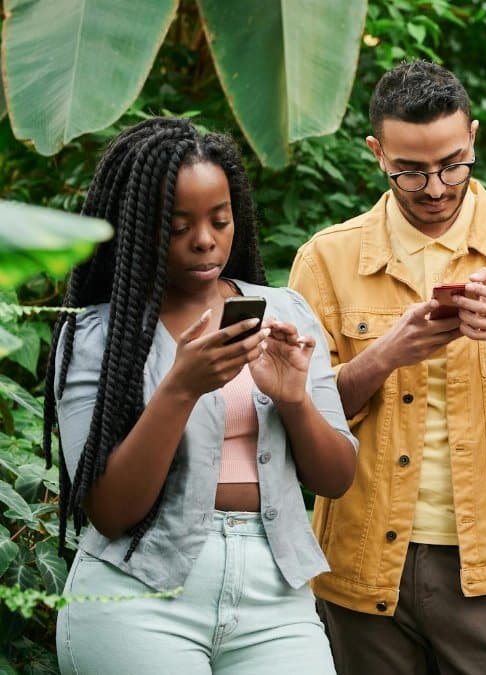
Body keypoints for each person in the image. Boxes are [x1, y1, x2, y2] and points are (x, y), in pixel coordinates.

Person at [288, 60, 486, 674]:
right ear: (377, 153)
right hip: (362, 563)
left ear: (473, 138)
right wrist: (384, 356)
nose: (435, 187)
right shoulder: (326, 258)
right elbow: (298, 418)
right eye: (410, 171)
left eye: (453, 164)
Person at [43, 117, 358, 674]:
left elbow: (335, 477)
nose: (205, 239)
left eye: (220, 219)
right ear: (138, 225)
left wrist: (293, 400)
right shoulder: (97, 335)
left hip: (274, 595)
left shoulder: (284, 311)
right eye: (178, 225)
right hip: (138, 596)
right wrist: (180, 389)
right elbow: (110, 511)